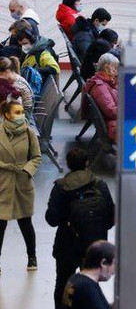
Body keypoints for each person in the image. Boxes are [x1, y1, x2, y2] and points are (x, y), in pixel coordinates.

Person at [46, 148, 115, 309]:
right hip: (93, 245)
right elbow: (111, 217)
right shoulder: (100, 184)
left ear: (69, 165)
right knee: (90, 285)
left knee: (63, 283)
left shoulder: (61, 187)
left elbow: (51, 219)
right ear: (87, 163)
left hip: (67, 245)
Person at [0, 99, 41, 272]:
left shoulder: (29, 132)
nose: (21, 115)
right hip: (3, 182)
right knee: (0, 226)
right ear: (6, 115)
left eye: (22, 112)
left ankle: (32, 256)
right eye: (17, 112)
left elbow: (36, 157)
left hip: (23, 182)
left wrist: (27, 170)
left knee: (25, 222)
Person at [61, 240, 115, 309]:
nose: (114, 272)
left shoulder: (76, 278)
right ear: (104, 263)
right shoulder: (86, 287)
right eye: (114, 264)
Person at [84, 54, 119, 145]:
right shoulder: (100, 87)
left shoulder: (105, 82)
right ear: (107, 68)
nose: (117, 71)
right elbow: (111, 111)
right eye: (115, 68)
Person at [0, 57, 33, 124]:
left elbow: (11, 109)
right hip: (18, 111)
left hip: (23, 116)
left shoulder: (17, 85)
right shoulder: (14, 79)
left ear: (6, 72)